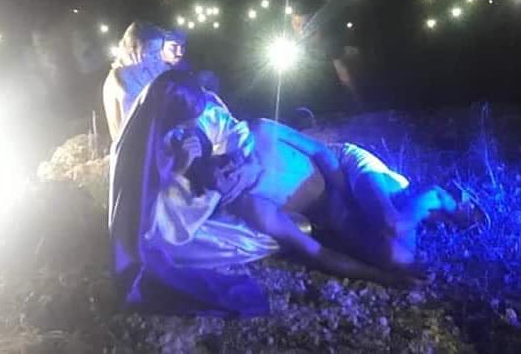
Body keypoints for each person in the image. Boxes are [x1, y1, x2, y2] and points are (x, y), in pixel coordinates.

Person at [109, 70, 458, 316]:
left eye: (224, 164)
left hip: (346, 168)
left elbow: (321, 152)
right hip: (336, 213)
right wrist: (382, 278)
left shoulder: (259, 132)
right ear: (221, 196)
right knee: (398, 259)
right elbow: (317, 252)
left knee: (391, 222)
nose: (230, 172)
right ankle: (428, 204)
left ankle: (440, 197)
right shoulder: (252, 206)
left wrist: (343, 193)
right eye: (223, 181)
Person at [103, 22, 168, 140]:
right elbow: (141, 123)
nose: (157, 58)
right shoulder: (123, 78)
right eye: (152, 52)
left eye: (159, 51)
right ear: (132, 51)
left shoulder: (146, 70)